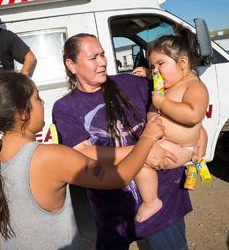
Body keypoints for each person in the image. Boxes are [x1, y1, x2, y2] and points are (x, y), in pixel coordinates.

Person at [0, 71, 166, 249]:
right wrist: (147, 138)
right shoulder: (50, 156)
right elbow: (118, 177)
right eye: (37, 98)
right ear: (22, 114)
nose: (42, 102)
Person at [52, 33, 206, 250]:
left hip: (164, 202)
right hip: (114, 211)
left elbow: (179, 104)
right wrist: (143, 149)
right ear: (72, 65)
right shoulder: (66, 107)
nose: (103, 62)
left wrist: (200, 134)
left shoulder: (132, 83)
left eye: (103, 55)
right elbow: (83, 152)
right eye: (93, 57)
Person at [132, 25, 209, 223]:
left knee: (138, 161)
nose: (156, 71)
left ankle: (151, 201)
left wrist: (163, 103)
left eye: (160, 64)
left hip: (181, 147)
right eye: (153, 66)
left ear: (182, 62)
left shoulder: (194, 86)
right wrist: (148, 74)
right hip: (164, 141)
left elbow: (193, 115)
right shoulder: (172, 80)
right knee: (138, 154)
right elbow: (162, 76)